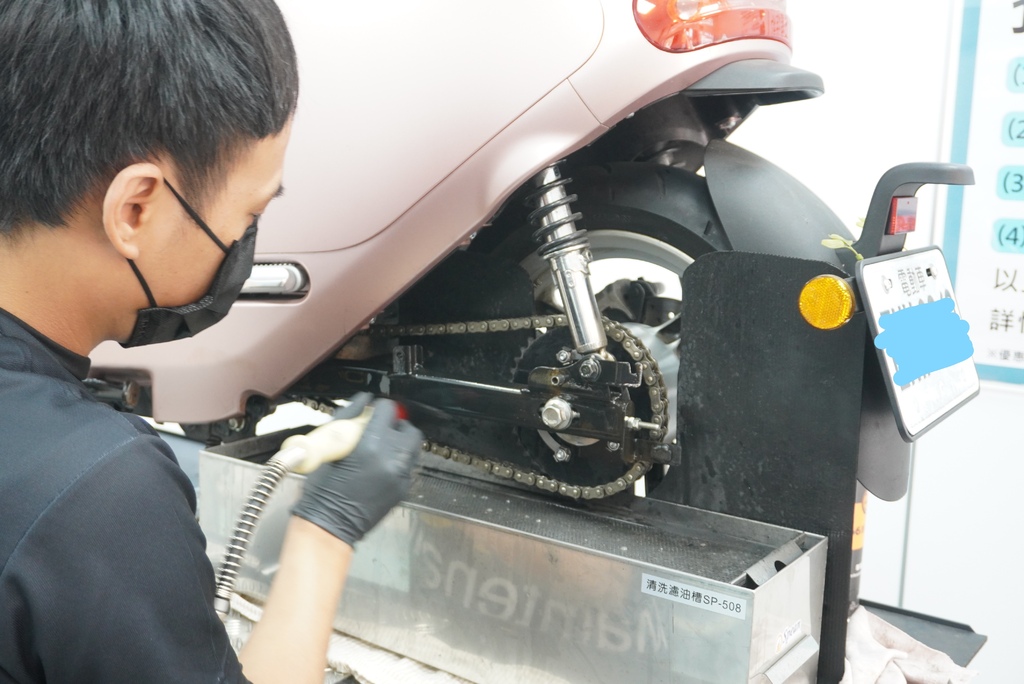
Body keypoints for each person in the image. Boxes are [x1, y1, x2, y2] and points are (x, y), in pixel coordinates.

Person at [0, 2, 422, 683]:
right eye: (249, 213)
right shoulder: (96, 498)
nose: (244, 243)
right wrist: (326, 531)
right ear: (136, 208)